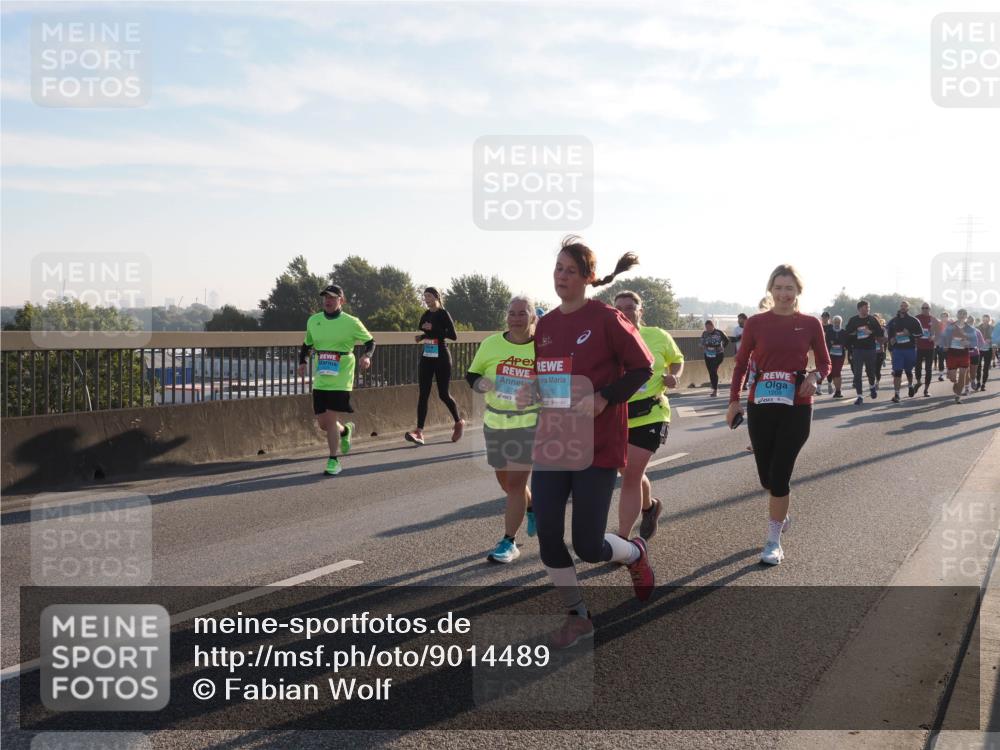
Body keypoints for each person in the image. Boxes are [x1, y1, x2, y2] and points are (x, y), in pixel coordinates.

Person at [516, 235, 654, 649]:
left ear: (588, 277)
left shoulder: (607, 318)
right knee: (549, 539)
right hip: (554, 444)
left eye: (570, 270)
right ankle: (578, 617)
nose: (561, 276)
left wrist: (604, 397)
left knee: (589, 545)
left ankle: (633, 553)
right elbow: (550, 380)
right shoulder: (548, 325)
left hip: (597, 444)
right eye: (558, 268)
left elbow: (642, 368)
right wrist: (533, 392)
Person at [727, 264, 830, 565]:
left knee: (781, 473)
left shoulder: (811, 323)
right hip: (761, 404)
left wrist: (814, 377)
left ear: (798, 291)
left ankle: (773, 541)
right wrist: (734, 401)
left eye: (790, 288)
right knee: (767, 478)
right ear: (770, 290)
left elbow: (825, 363)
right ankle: (781, 513)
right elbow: (742, 364)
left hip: (797, 405)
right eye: (779, 288)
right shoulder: (757, 323)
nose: (784, 294)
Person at [466, 296, 539, 564]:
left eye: (522, 313)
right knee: (507, 484)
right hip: (495, 421)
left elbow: (557, 382)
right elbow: (472, 375)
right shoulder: (490, 344)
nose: (516, 318)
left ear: (532, 316)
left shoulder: (543, 348)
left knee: (517, 484)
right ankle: (531, 507)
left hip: (528, 424)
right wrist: (481, 384)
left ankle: (508, 542)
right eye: (512, 313)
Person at [613, 291, 685, 541]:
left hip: (652, 412)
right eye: (620, 307)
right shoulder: (607, 339)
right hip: (618, 415)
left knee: (630, 475)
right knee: (628, 472)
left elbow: (677, 359)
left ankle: (622, 540)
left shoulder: (656, 335)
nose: (626, 311)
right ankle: (649, 507)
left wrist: (673, 375)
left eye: (631, 307)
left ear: (640, 311)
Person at [297, 285, 375, 476]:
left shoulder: (352, 322)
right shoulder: (314, 321)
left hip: (342, 375)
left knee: (330, 419)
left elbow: (371, 342)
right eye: (325, 297)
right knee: (324, 424)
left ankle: (333, 460)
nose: (328, 301)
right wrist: (303, 361)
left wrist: (367, 356)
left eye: (332, 297)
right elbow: (307, 344)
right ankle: (345, 432)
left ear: (341, 300)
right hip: (321, 376)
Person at [406, 287, 464, 446]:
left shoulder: (443, 313)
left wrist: (432, 329)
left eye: (429, 296)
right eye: (425, 296)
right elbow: (425, 328)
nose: (426, 299)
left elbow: (453, 335)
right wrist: (423, 336)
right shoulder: (426, 314)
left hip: (441, 357)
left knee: (443, 394)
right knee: (423, 393)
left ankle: (458, 422)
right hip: (427, 356)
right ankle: (419, 431)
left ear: (437, 297)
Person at [844, 300, 884, 405]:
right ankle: (859, 396)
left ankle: (872, 387)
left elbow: (880, 332)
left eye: (869, 307)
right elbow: (847, 333)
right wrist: (855, 333)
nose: (868, 309)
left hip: (870, 349)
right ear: (860, 308)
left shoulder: (872, 319)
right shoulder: (853, 320)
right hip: (858, 350)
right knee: (857, 374)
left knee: (870, 372)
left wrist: (871, 331)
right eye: (866, 307)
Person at [885, 300, 924, 402]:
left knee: (908, 371)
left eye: (905, 306)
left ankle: (910, 386)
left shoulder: (913, 320)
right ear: (899, 307)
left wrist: (909, 334)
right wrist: (891, 340)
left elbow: (920, 334)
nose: (903, 307)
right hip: (897, 350)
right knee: (897, 372)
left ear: (908, 308)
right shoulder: (893, 321)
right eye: (901, 306)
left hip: (910, 349)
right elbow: (887, 332)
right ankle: (897, 395)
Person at [943, 309, 974, 404]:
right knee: (952, 378)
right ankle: (955, 383)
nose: (961, 315)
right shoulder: (950, 327)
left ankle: (958, 396)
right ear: (957, 315)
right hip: (952, 354)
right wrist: (945, 345)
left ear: (966, 316)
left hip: (964, 354)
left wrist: (968, 343)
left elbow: (974, 342)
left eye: (964, 314)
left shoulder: (970, 329)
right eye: (960, 313)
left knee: (962, 376)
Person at [699, 320, 730, 397]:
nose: (708, 329)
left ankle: (715, 390)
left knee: (713, 370)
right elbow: (701, 343)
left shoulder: (719, 332)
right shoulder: (704, 333)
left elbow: (727, 340)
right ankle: (714, 387)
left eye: (709, 327)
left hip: (718, 355)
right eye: (706, 327)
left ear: (713, 326)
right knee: (711, 372)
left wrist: (723, 347)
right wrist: (702, 346)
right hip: (708, 355)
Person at [914, 303, 939, 397]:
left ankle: (926, 390)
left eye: (926, 308)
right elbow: (912, 330)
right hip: (919, 347)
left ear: (930, 309)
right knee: (917, 367)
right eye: (923, 308)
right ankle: (919, 381)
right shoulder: (917, 318)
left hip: (930, 347)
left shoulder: (934, 320)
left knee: (928, 369)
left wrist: (934, 337)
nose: (924, 309)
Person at [826, 315, 848, 398]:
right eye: (835, 322)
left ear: (841, 323)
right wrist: (831, 344)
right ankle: (831, 385)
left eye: (838, 322)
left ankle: (838, 391)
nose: (837, 323)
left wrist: (841, 344)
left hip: (840, 355)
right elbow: (826, 342)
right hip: (830, 355)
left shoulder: (843, 332)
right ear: (833, 322)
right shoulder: (829, 331)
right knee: (831, 372)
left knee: (837, 372)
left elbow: (846, 343)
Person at [977, 314, 994, 391]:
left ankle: (983, 384)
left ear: (989, 320)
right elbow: (974, 338)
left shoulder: (993, 328)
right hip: (979, 350)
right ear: (982, 320)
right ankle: (978, 383)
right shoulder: (978, 328)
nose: (985, 322)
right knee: (978, 367)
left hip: (988, 349)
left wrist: (991, 340)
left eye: (987, 320)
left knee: (986, 368)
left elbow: (996, 339)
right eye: (984, 320)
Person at [936, 312, 951, 382]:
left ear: (947, 317)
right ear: (941, 317)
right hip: (940, 345)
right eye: (942, 316)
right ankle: (941, 375)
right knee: (941, 361)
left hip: (948, 346)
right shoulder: (938, 324)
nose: (944, 318)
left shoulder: (950, 325)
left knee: (948, 360)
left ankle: (949, 372)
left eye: (945, 317)